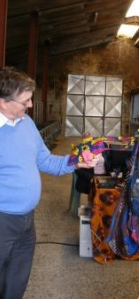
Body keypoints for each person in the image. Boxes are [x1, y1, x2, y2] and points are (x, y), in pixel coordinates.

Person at [0, 67, 97, 299]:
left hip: (26, 221)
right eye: (25, 101)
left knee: (17, 278)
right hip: (3, 221)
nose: (31, 105)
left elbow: (45, 160)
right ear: (4, 102)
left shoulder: (26, 124)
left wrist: (76, 161)